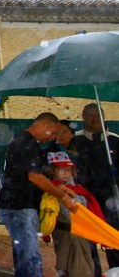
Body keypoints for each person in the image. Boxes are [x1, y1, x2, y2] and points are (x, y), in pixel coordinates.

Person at [0, 112, 79, 277]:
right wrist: (62, 197)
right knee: (31, 259)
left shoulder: (24, 141)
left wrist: (57, 187)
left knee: (24, 257)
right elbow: (34, 176)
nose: (53, 138)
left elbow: (36, 175)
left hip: (16, 205)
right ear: (44, 124)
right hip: (20, 206)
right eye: (53, 132)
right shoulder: (26, 142)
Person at [74, 102, 119, 271]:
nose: (94, 119)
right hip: (86, 198)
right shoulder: (76, 140)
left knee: (114, 238)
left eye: (97, 115)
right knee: (88, 240)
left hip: (111, 198)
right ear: (83, 117)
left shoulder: (113, 140)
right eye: (90, 115)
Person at [45, 151, 100, 277]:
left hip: (80, 233)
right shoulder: (50, 188)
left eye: (69, 170)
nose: (66, 174)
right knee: (65, 265)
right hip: (63, 234)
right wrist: (62, 195)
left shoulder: (76, 189)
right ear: (53, 171)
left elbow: (82, 208)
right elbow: (66, 211)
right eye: (62, 170)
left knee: (84, 263)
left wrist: (73, 195)